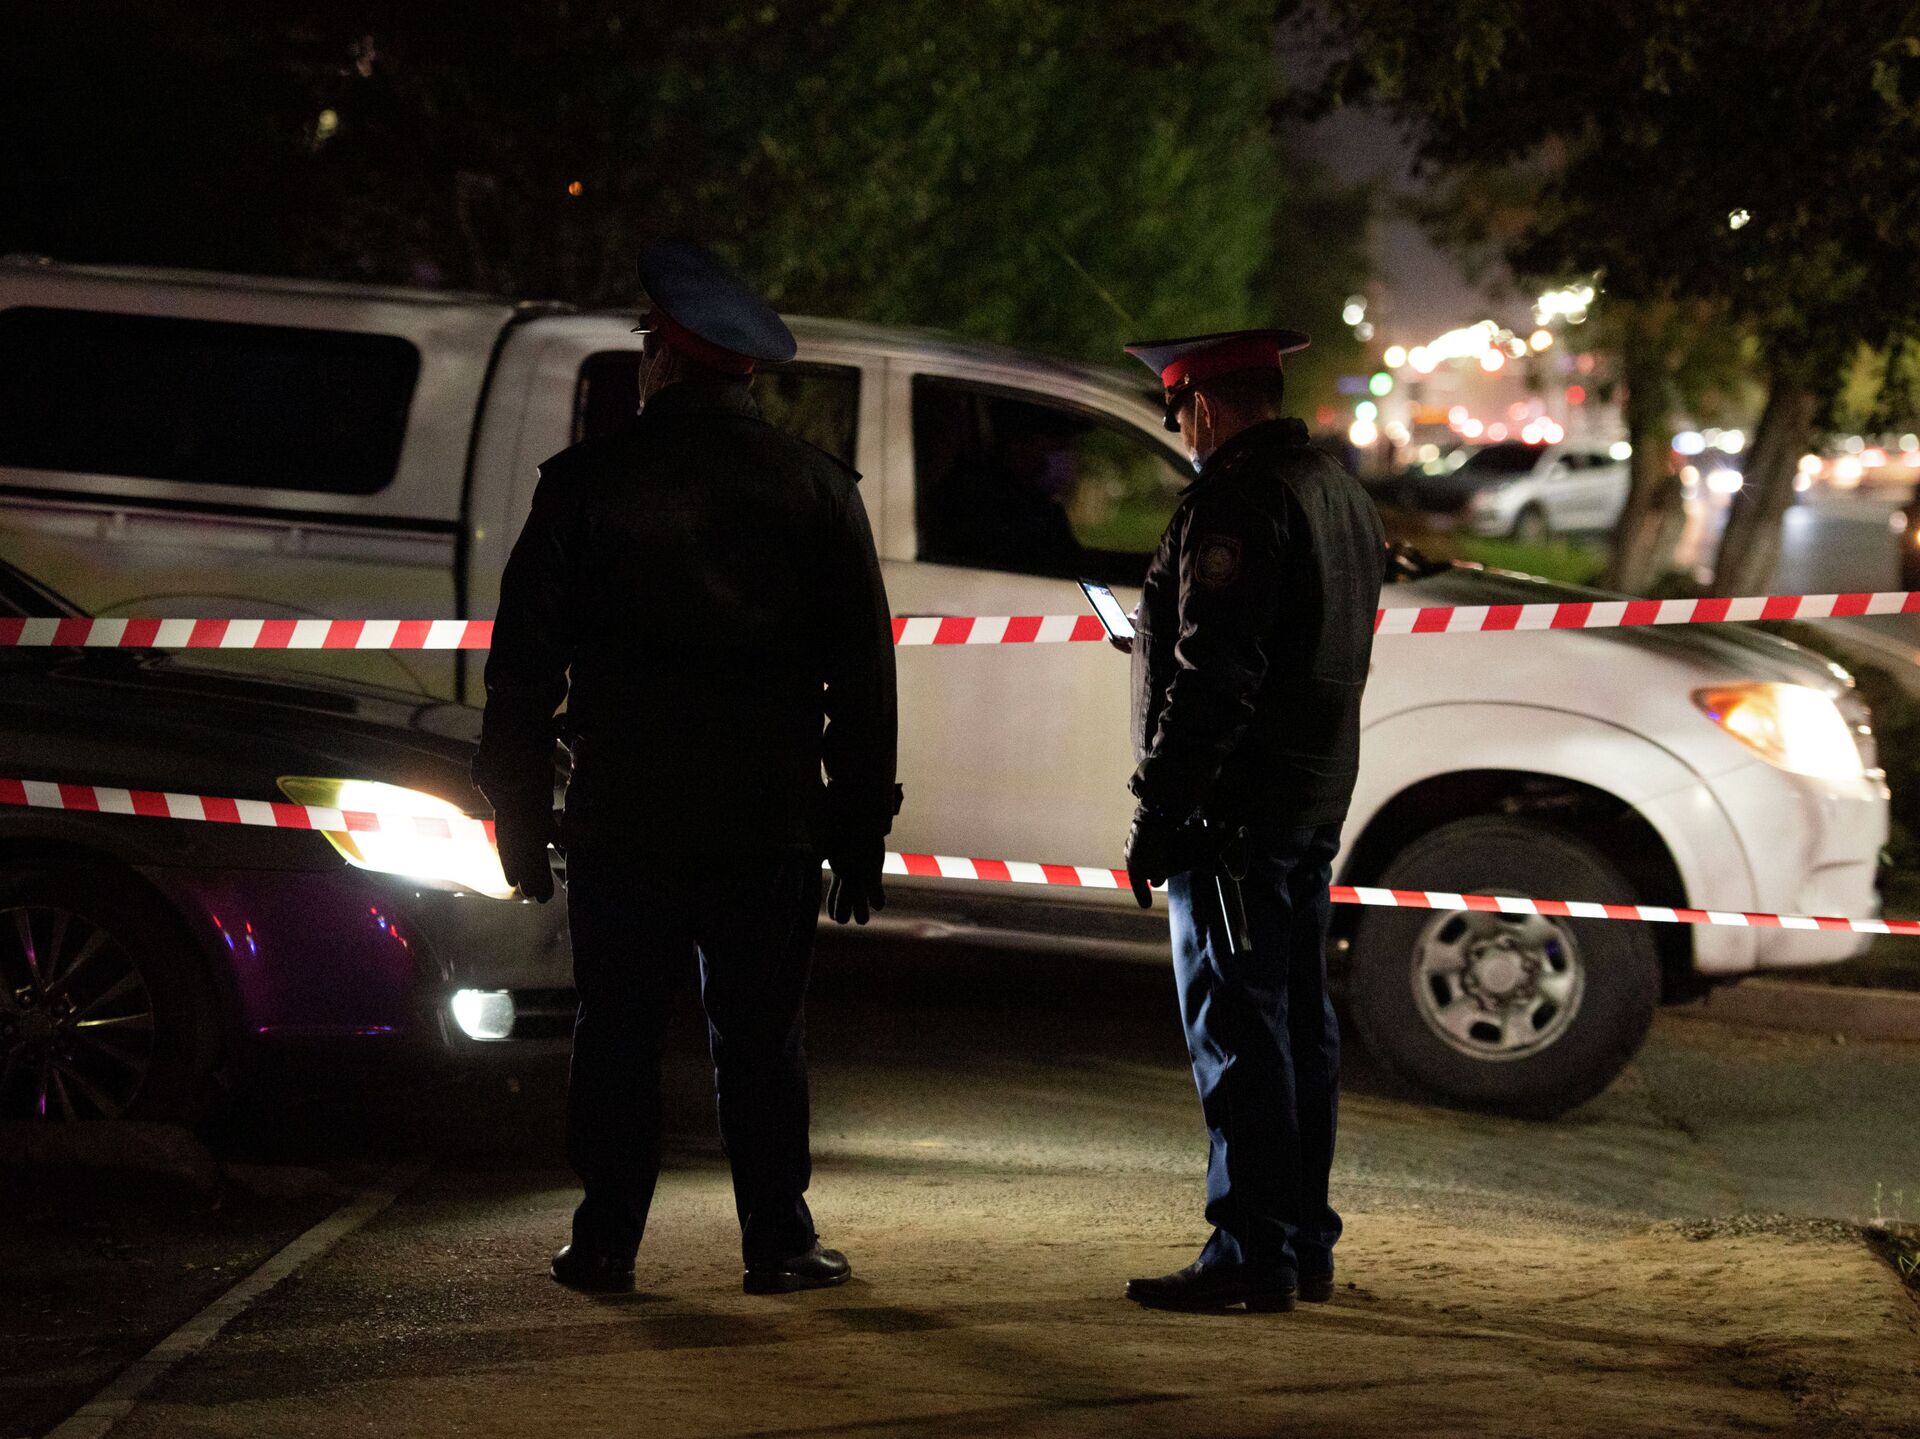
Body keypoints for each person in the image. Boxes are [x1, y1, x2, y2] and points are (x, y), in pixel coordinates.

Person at [473, 238, 899, 1297]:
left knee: (616, 1032)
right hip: (767, 817)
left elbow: (522, 669)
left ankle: (605, 1241)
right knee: (761, 1037)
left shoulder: (584, 486)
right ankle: (778, 1240)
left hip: (625, 814)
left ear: (661, 356)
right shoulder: (819, 490)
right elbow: (863, 677)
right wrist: (857, 824)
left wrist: (516, 810)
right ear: (744, 372)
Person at [1117, 328, 1386, 1313]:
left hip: (1234, 813)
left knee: (1238, 1025)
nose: (1183, 434)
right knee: (1299, 1023)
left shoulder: (1236, 499)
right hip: (1311, 796)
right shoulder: (1340, 492)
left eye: (1178, 416)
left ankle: (1249, 1249)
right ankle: (1302, 1240)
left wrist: (1163, 806)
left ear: (1201, 407)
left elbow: (1217, 670)